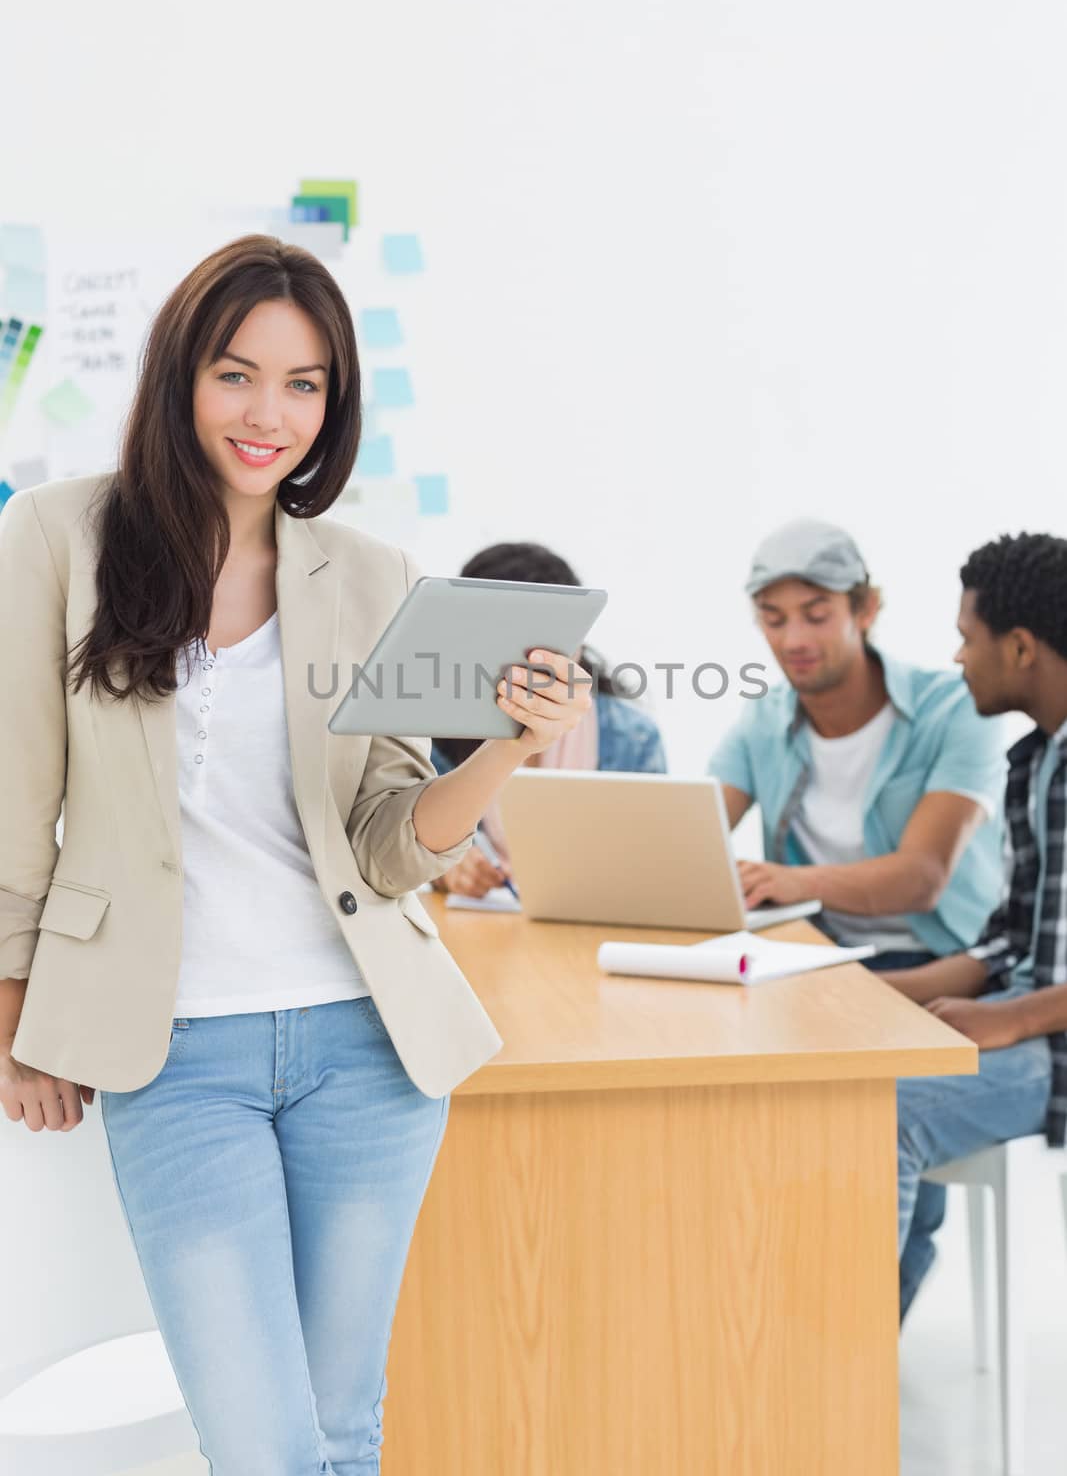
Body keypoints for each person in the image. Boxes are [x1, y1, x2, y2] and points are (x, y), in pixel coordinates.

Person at [0, 235, 592, 1476]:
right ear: (180, 377)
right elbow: (13, 800)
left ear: (334, 403)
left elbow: (387, 844)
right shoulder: (57, 537)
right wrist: (14, 1003)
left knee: (339, 1432)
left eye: (304, 383)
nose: (269, 413)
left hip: (365, 1050)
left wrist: (497, 752)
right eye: (237, 373)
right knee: (262, 1446)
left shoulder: (369, 575)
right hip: (177, 1054)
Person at [884, 532, 1067, 1321]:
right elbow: (1007, 941)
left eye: (966, 637)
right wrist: (871, 993)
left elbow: (1020, 986)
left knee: (874, 1110)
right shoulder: (1036, 760)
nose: (957, 658)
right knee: (836, 1064)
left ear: (1019, 646)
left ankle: (835, 1394)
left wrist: (1013, 1017)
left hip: (1050, 1048)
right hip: (1026, 1026)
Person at [706, 517, 1005, 970]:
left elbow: (921, 877)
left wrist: (792, 881)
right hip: (819, 957)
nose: (794, 640)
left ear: (866, 610)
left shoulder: (957, 708)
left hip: (944, 961)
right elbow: (696, 833)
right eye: (773, 619)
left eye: (817, 614)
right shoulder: (762, 720)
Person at [430, 541, 667, 898]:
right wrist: (445, 869)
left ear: (580, 643)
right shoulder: (437, 735)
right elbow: (411, 843)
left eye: (546, 643)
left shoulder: (632, 738)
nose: (525, 665)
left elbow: (654, 862)